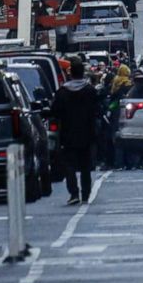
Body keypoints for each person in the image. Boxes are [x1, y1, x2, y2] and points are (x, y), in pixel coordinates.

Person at [50, 69, 101, 204]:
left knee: (69, 165)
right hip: (86, 133)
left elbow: (54, 111)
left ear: (70, 75)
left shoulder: (62, 92)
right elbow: (97, 110)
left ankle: (74, 193)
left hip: (68, 133)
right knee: (85, 165)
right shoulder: (90, 90)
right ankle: (85, 193)